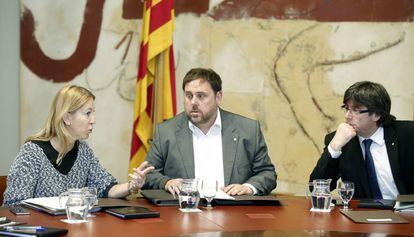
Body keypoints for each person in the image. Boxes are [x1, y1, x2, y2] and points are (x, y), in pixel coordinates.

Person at [3, 85, 154, 206]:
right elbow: (13, 204)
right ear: (67, 117)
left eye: (93, 113)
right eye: (88, 113)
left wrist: (132, 185)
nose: (93, 120)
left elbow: (107, 188)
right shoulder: (32, 152)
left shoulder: (83, 150)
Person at [143, 68, 277, 196]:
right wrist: (166, 182)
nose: (193, 102)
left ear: (218, 97)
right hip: (183, 211)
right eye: (189, 96)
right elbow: (147, 175)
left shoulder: (247, 129)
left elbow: (267, 173)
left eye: (201, 96)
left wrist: (248, 188)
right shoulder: (166, 131)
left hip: (235, 211)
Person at [310, 81, 414, 199]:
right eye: (347, 109)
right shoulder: (341, 140)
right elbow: (315, 188)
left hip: (407, 213)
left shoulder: (408, 134)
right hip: (363, 214)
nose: (347, 116)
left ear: (377, 114)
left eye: (355, 110)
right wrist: (334, 147)